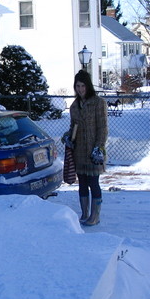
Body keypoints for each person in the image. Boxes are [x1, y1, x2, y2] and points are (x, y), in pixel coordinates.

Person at [64, 70, 108, 226]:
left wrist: (99, 148)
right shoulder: (74, 106)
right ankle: (84, 213)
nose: (80, 89)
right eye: (77, 86)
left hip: (93, 151)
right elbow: (72, 126)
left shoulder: (98, 102)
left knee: (93, 182)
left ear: (88, 86)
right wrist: (68, 137)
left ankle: (95, 216)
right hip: (79, 151)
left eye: (83, 85)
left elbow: (102, 128)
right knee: (82, 183)